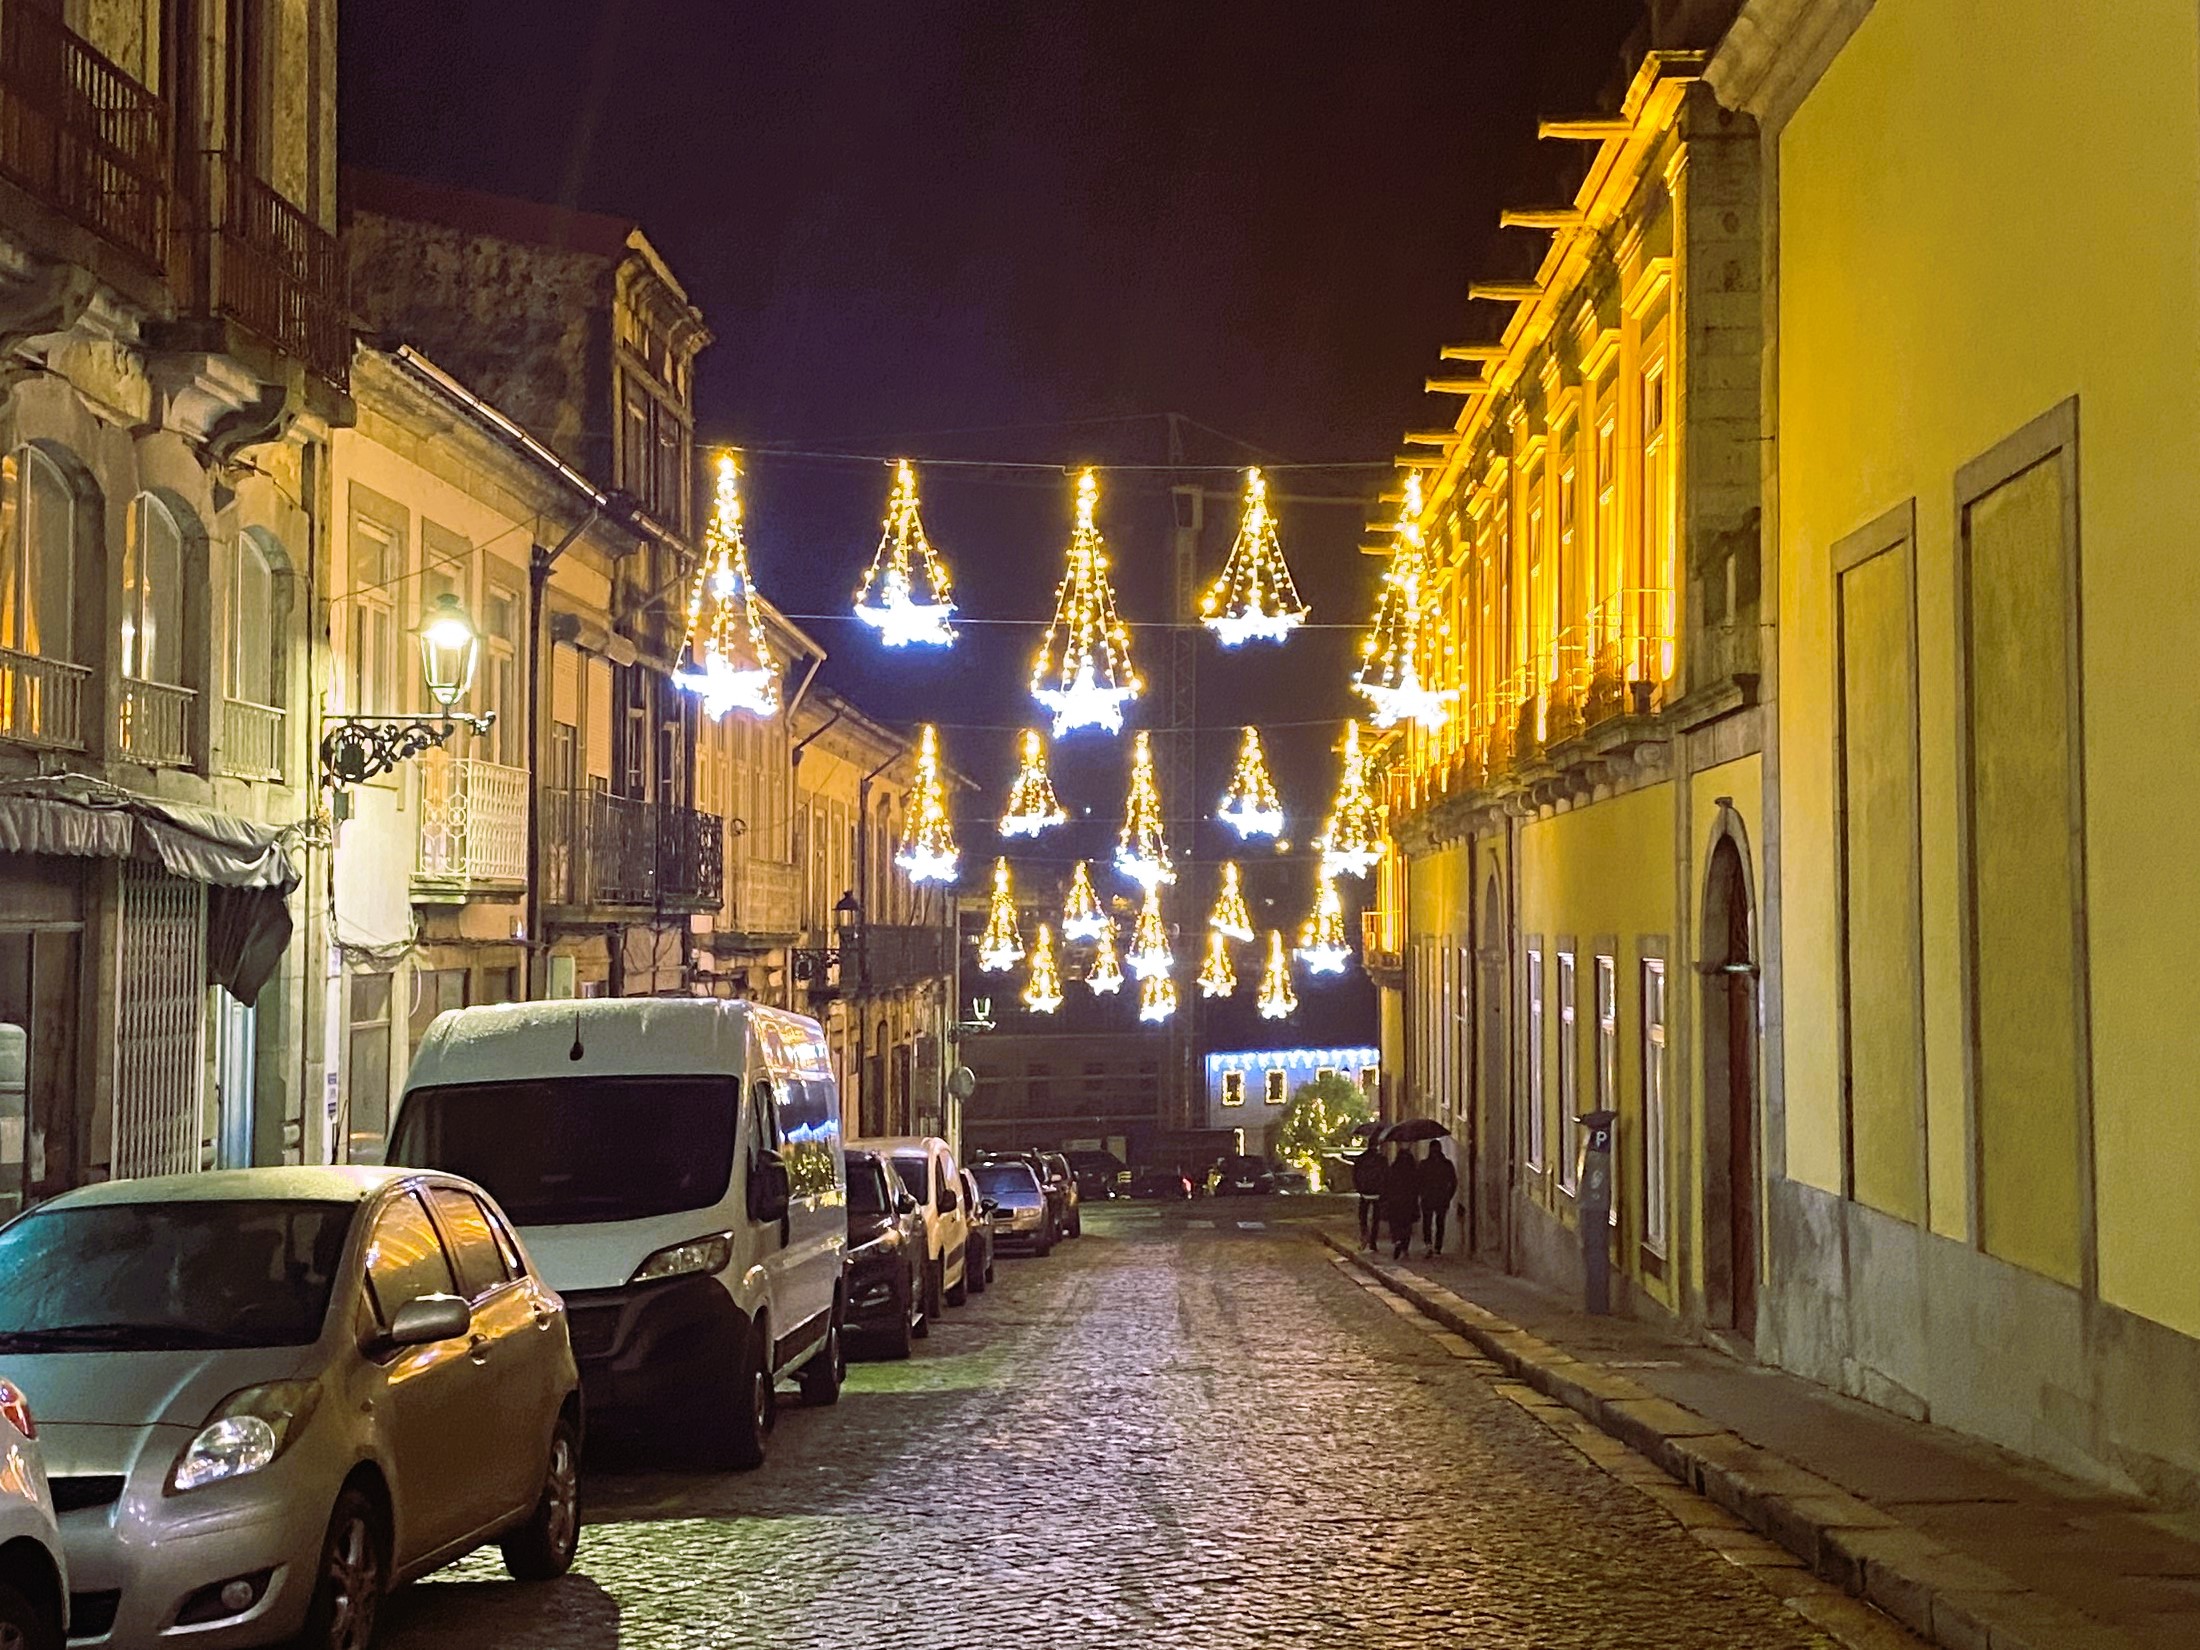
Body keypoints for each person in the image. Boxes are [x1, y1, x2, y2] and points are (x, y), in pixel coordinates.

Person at [1380, 1141, 1420, 1260]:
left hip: (1395, 1201)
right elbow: (1417, 1184)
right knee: (1407, 1225)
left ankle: (1397, 1240)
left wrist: (1385, 1197)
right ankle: (1405, 1247)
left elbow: (1387, 1184)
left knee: (1395, 1223)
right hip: (1409, 1200)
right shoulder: (1412, 1169)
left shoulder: (1394, 1168)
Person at [1418, 1141, 1459, 1257]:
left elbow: (1418, 1181)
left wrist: (1422, 1193)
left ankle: (1429, 1244)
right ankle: (1437, 1246)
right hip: (1440, 1197)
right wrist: (1448, 1196)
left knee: (1428, 1222)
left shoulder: (1424, 1164)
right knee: (1439, 1223)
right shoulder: (1446, 1164)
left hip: (1430, 1197)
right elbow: (1453, 1182)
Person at [1351, 1139, 1387, 1250]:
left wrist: (1359, 1188)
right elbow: (1386, 1175)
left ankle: (1364, 1234)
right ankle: (1373, 1242)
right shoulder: (1381, 1159)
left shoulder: (1361, 1159)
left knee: (1363, 1217)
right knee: (1376, 1219)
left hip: (1364, 1192)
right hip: (1377, 1193)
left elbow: (1355, 1175)